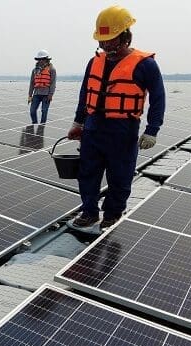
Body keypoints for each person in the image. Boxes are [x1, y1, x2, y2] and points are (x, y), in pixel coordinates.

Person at [67, 5, 165, 230]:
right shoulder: (94, 62)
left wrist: (152, 130)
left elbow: (158, 98)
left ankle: (112, 213)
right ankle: (89, 212)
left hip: (123, 129)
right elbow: (85, 94)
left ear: (125, 36)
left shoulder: (145, 64)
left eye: (110, 40)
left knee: (120, 176)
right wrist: (77, 122)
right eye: (102, 41)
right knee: (87, 174)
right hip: (92, 128)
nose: (106, 45)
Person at [28, 50, 57, 124]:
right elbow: (32, 83)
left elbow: (53, 83)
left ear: (46, 59)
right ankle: (34, 123)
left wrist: (50, 94)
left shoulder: (52, 70)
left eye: (42, 59)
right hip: (36, 94)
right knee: (32, 111)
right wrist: (30, 95)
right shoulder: (34, 70)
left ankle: (42, 125)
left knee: (44, 110)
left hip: (46, 94)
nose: (40, 61)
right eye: (39, 59)